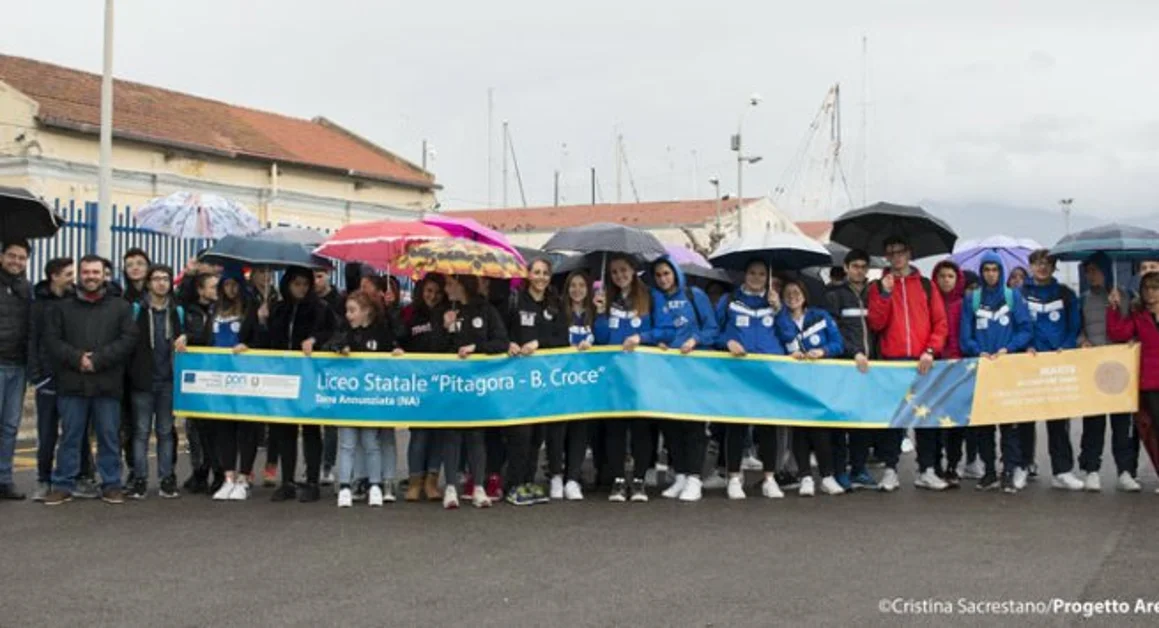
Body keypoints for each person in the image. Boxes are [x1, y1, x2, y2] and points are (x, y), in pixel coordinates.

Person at [42, 255, 139, 505]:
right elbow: (52, 341)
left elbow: (128, 340)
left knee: (109, 436)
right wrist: (78, 359)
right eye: (86, 272)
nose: (91, 277)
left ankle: (111, 484)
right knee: (70, 437)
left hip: (107, 383)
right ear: (79, 275)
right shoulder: (62, 307)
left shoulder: (120, 307)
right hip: (72, 382)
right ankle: (63, 483)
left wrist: (98, 359)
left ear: (104, 274)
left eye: (96, 272)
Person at [237, 266, 335, 503]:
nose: (301, 288)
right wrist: (261, 322)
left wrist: (314, 340)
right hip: (282, 377)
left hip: (310, 376)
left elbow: (333, 333)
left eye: (305, 284)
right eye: (296, 284)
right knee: (283, 430)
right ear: (287, 284)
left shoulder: (321, 309)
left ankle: (312, 481)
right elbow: (265, 343)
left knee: (311, 429)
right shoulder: (278, 309)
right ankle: (287, 480)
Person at [866, 235, 948, 492]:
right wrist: (885, 294)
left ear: (909, 253)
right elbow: (876, 324)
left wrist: (931, 351)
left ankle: (927, 470)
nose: (896, 256)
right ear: (886, 257)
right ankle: (890, 470)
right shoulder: (877, 286)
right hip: (893, 360)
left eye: (900, 251)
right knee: (894, 421)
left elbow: (940, 323)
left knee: (927, 419)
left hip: (923, 360)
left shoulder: (926, 285)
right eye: (891, 252)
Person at [959, 254, 1032, 493]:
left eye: (995, 269)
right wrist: (977, 351)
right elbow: (965, 336)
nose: (991, 273)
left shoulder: (1013, 297)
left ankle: (1009, 470)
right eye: (987, 269)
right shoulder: (972, 298)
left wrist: (1007, 349)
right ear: (981, 272)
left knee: (1009, 424)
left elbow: (1025, 329)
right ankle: (989, 470)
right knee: (984, 424)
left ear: (1001, 272)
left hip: (1006, 367)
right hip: (982, 368)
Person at [649, 256, 718, 503]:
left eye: (666, 273)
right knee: (671, 424)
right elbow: (656, 328)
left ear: (676, 273)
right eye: (658, 275)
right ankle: (679, 474)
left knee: (694, 424)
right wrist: (657, 341)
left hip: (694, 367)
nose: (663, 279)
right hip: (667, 368)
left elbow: (712, 329)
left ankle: (695, 478)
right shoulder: (655, 299)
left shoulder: (694, 295)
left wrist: (695, 340)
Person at [28, 257, 98, 501]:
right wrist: (36, 376)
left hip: (72, 376)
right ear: (54, 276)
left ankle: (80, 477)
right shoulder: (38, 306)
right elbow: (33, 341)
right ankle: (43, 479)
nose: (74, 278)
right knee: (46, 433)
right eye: (68, 274)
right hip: (48, 378)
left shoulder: (75, 301)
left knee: (75, 431)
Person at [326, 290, 403, 508]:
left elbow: (395, 345)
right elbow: (330, 344)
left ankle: (376, 484)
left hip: (371, 399)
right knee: (347, 444)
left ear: (366, 311)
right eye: (347, 311)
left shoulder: (381, 333)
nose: (348, 315)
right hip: (349, 399)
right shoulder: (345, 333)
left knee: (371, 442)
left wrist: (397, 350)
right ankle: (344, 486)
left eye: (352, 311)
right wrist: (339, 348)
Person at [594, 254, 661, 503]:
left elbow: (662, 330)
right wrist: (600, 313)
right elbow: (601, 338)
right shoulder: (607, 299)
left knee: (641, 428)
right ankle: (619, 481)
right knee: (615, 429)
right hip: (614, 373)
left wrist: (641, 337)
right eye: (614, 272)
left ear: (633, 271)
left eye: (623, 270)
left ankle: (640, 480)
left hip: (642, 372)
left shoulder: (649, 297)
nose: (619, 276)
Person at [505, 258, 570, 505]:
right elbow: (502, 331)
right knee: (520, 433)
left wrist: (539, 344)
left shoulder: (555, 304)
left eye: (545, 273)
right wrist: (508, 344)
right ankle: (514, 484)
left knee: (536, 435)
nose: (541, 277)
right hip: (517, 378)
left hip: (543, 379)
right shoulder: (515, 301)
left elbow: (561, 339)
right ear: (528, 275)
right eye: (536, 272)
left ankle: (529, 481)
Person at [441, 274, 508, 509]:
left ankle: (478, 486)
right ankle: (450, 486)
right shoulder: (446, 310)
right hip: (451, 382)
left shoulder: (486, 310)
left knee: (476, 434)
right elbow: (434, 349)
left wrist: (476, 348)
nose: (446, 288)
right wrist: (446, 329)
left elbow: (501, 342)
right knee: (452, 434)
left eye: (450, 283)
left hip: (478, 383)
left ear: (462, 284)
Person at [775, 279, 845, 496]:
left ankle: (827, 476)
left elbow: (838, 344)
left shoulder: (820, 316)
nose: (792, 296)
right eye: (787, 293)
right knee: (799, 430)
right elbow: (778, 345)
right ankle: (805, 476)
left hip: (820, 381)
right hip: (794, 382)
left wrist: (822, 351)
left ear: (804, 294)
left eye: (796, 291)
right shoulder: (781, 319)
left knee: (821, 430)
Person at [1020, 249, 1083, 491]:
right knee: (1025, 418)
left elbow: (1074, 326)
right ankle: (1024, 465)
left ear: (1054, 267)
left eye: (1047, 263)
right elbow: (1019, 324)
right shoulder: (1020, 294)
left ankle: (1062, 470)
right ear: (1030, 266)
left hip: (1057, 363)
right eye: (1037, 263)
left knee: (1058, 419)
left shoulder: (1066, 294)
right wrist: (1027, 346)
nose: (1042, 267)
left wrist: (1065, 347)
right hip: (1029, 362)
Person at [199, 265, 262, 501]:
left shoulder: (250, 309)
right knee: (223, 427)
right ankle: (228, 477)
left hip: (245, 376)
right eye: (226, 285)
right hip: (219, 377)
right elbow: (206, 338)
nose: (231, 289)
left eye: (235, 284)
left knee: (246, 426)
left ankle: (244, 478)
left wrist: (250, 346)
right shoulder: (215, 309)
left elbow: (261, 338)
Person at [1078, 253, 1140, 492]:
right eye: (1087, 271)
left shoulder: (1125, 297)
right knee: (1093, 424)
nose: (1090, 275)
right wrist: (1082, 341)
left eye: (1094, 270)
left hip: (1118, 369)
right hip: (1094, 368)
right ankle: (1091, 470)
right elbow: (1078, 329)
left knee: (1121, 424)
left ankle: (1125, 471)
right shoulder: (1082, 300)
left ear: (1106, 271)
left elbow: (1134, 328)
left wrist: (1120, 305)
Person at [125, 265, 182, 500]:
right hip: (143, 381)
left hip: (168, 380)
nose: (161, 283)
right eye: (156, 279)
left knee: (166, 432)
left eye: (165, 279)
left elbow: (186, 339)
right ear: (148, 283)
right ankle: (139, 479)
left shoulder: (176, 311)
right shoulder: (137, 309)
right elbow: (127, 343)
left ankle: (166, 478)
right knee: (140, 432)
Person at [825, 249, 879, 491]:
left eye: (863, 266)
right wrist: (852, 352)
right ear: (845, 268)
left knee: (862, 421)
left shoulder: (874, 294)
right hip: (844, 366)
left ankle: (859, 469)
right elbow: (833, 331)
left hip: (870, 366)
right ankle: (839, 470)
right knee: (840, 421)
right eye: (855, 266)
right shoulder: (833, 295)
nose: (859, 270)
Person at [1107, 272, 1159, 494]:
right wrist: (1114, 308)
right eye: (1146, 288)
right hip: (1149, 381)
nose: (1150, 292)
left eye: (1155, 288)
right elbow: (1118, 332)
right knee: (1154, 429)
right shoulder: (1138, 315)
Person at [931, 260, 978, 486]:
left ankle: (953, 463)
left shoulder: (964, 304)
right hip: (937, 366)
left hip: (959, 367)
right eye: (942, 276)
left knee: (958, 420)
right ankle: (935, 464)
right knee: (936, 420)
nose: (946, 280)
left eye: (950, 276)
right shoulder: (930, 301)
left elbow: (968, 332)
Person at [401, 276, 447, 502]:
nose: (433, 296)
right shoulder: (410, 314)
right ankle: (414, 481)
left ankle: (432, 481)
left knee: (438, 433)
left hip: (442, 382)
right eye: (429, 291)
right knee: (419, 434)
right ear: (421, 291)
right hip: (417, 382)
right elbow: (399, 339)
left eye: (438, 292)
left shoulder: (449, 313)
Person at [552, 270, 596, 501]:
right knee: (558, 430)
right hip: (561, 380)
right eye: (573, 285)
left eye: (581, 285)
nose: (577, 290)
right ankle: (556, 476)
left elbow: (605, 337)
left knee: (580, 429)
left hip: (585, 382)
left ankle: (573, 478)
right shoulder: (559, 312)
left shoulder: (595, 314)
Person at [180, 272, 223, 494]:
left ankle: (218, 471)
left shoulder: (222, 310)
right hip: (197, 374)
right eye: (212, 286)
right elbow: (196, 335)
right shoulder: (190, 311)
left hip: (219, 374)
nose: (217, 290)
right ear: (200, 289)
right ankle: (200, 470)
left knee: (215, 428)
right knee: (196, 427)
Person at [0, 239, 32, 500]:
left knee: (10, 426)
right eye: (12, 256)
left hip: (18, 366)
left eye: (21, 258)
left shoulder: (26, 288)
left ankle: (4, 479)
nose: (16, 262)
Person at [315, 268, 344, 487]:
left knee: (330, 421)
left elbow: (341, 329)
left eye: (319, 276)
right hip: (309, 364)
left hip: (333, 364)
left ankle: (327, 465)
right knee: (310, 419)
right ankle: (312, 466)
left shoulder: (338, 300)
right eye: (313, 276)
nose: (316, 281)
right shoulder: (306, 302)